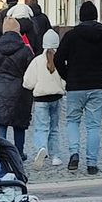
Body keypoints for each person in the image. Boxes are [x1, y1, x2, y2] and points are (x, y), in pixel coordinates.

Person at [54, 1, 102, 174]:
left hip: (75, 86)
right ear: (96, 16)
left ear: (80, 17)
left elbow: (58, 59)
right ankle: (92, 164)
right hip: (97, 86)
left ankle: (74, 153)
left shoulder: (71, 36)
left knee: (72, 121)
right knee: (93, 126)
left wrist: (67, 76)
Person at [0, 17, 34, 161]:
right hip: (21, 91)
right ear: (18, 31)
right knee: (19, 125)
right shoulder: (26, 50)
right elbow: (30, 72)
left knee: (0, 124)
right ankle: (19, 153)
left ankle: (2, 154)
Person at [23, 29, 66, 168]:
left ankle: (41, 148)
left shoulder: (37, 61)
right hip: (56, 98)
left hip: (41, 99)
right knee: (54, 128)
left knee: (41, 128)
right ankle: (55, 156)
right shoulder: (62, 60)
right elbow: (66, 79)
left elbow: (27, 82)